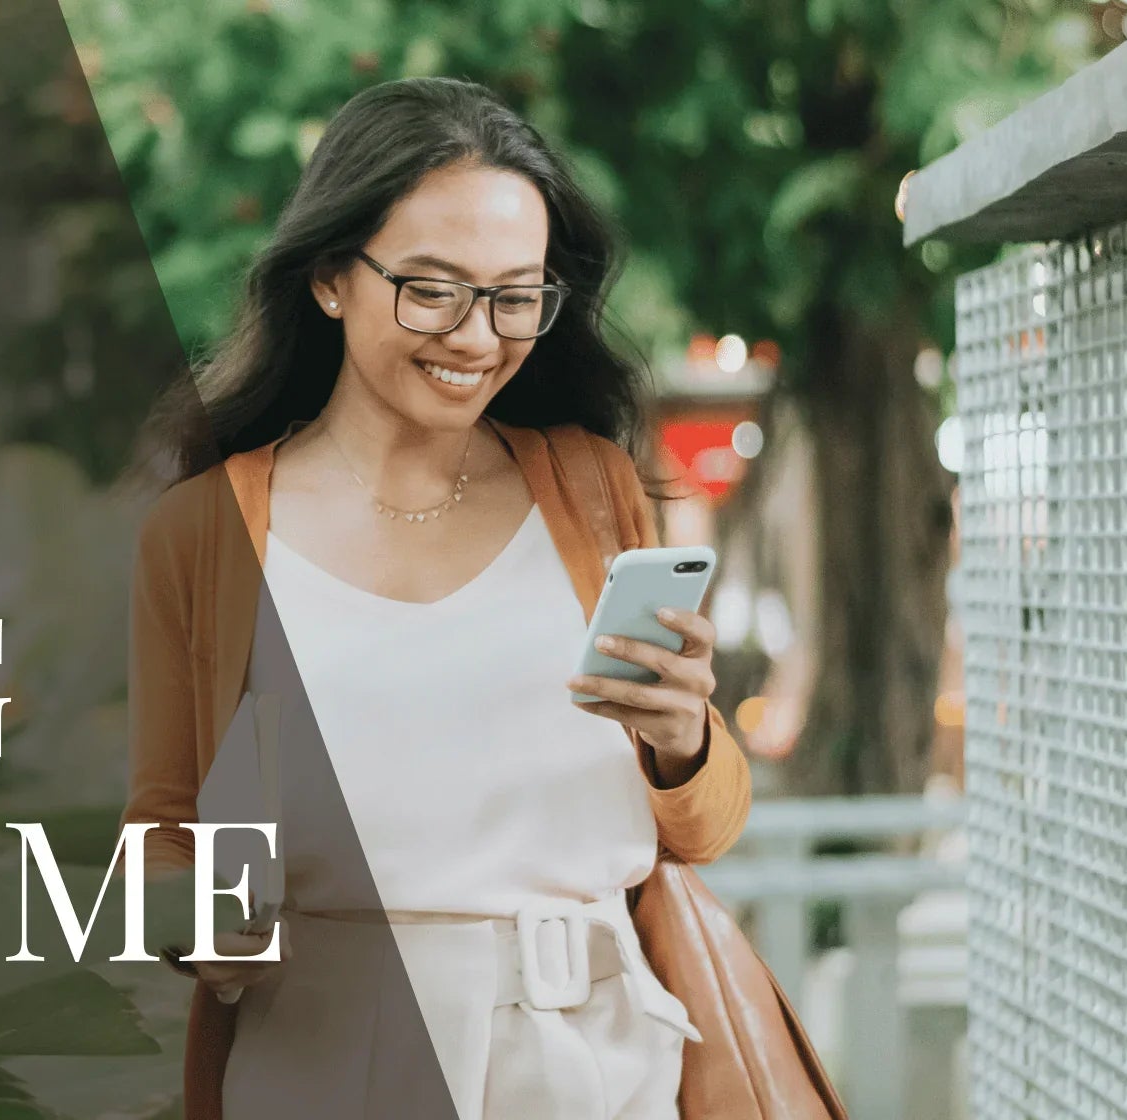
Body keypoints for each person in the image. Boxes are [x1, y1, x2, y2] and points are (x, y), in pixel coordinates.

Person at [120, 77, 751, 1119]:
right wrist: (200, 918)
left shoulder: (590, 488)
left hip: (594, 1066)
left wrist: (682, 740)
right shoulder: (201, 533)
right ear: (329, 277)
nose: (475, 337)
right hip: (321, 1059)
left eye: (514, 295)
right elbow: (162, 830)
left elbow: (700, 830)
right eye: (430, 288)